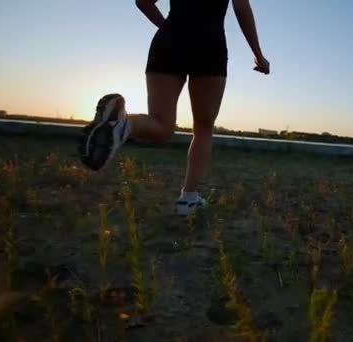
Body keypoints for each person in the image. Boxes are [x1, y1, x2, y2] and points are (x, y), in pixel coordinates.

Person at [79, 0, 270, 216]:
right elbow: (241, 8)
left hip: (169, 40)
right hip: (209, 44)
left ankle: (123, 124)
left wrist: (167, 27)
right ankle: (188, 198)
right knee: (203, 127)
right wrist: (258, 55)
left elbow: (143, 1)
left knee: (161, 124)